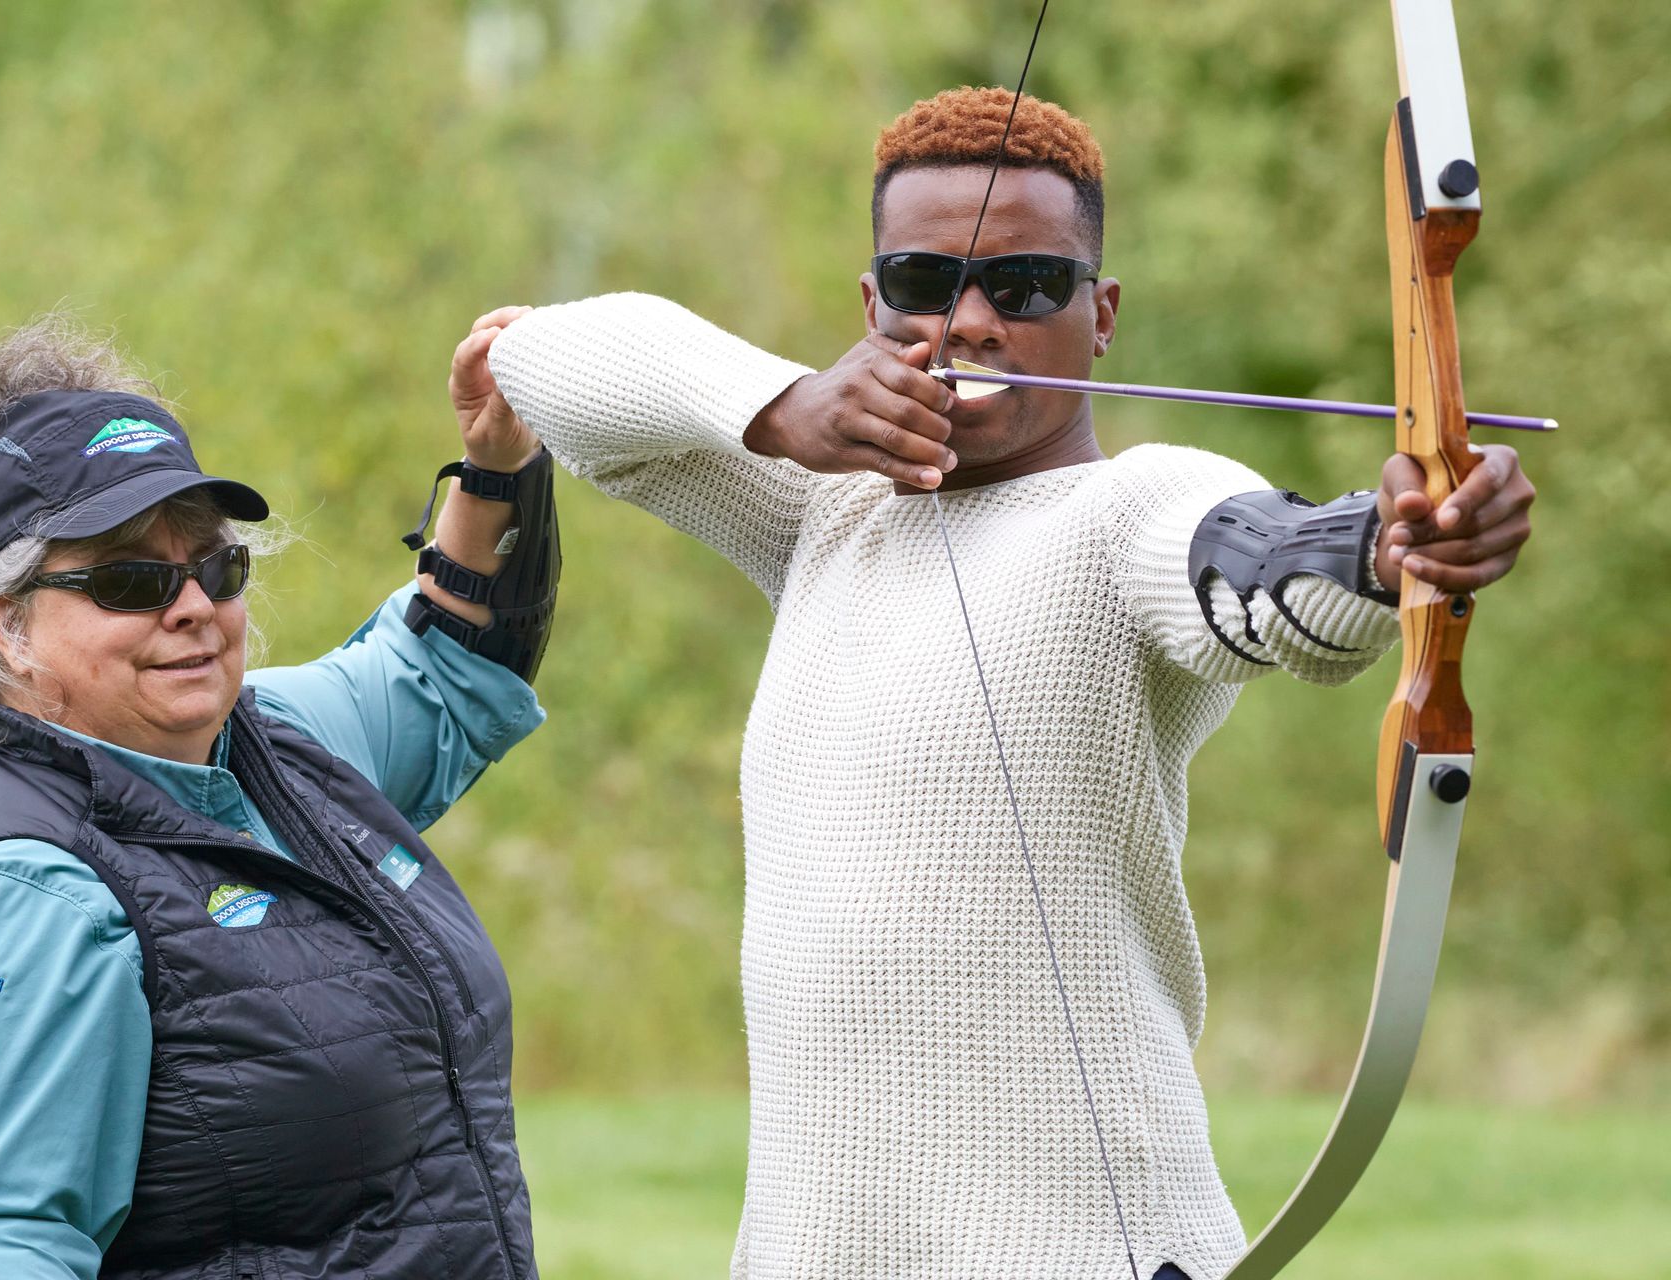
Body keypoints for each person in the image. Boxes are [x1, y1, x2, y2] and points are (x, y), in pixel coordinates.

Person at [481, 89, 1534, 1279]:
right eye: (927, 283)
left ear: (1103, 314)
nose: (970, 321)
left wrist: (1390, 550)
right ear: (872, 308)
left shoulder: (1124, 510)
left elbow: (1253, 567)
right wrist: (790, 408)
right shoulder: (822, 512)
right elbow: (532, 355)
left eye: (1026, 284)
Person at [0, 310, 558, 1279]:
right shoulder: (17, 896)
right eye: (132, 578)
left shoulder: (265, 746)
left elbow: (440, 672)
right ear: (8, 626)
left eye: (214, 565)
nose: (191, 605)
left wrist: (494, 467)